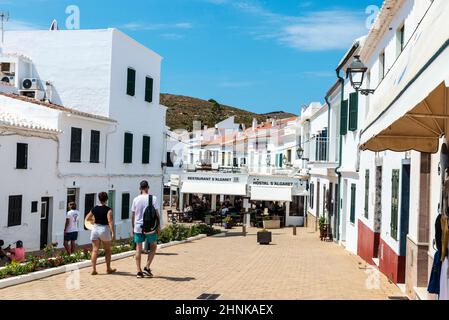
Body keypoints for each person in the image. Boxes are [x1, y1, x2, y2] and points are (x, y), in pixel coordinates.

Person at [132, 180, 161, 279]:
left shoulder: (136, 199)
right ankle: (147, 267)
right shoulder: (153, 198)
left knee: (138, 249)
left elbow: (133, 215)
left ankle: (138, 271)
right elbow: (157, 214)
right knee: (153, 246)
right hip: (150, 227)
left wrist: (133, 227)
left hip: (138, 227)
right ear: (148, 188)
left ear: (140, 189)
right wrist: (158, 226)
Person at [85, 192, 116, 276]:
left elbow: (87, 218)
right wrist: (113, 232)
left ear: (99, 199)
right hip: (104, 229)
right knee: (107, 250)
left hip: (95, 229)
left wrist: (93, 221)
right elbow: (110, 221)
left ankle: (94, 269)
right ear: (107, 199)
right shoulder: (108, 209)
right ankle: (108, 268)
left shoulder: (94, 208)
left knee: (95, 250)